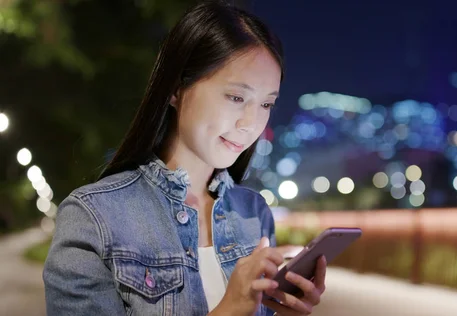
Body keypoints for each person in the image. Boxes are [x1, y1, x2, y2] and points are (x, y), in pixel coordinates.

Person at [42, 1, 327, 315]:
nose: (250, 124)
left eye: (266, 104)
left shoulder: (253, 214)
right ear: (176, 89)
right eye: (236, 97)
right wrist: (229, 309)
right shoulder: (93, 218)